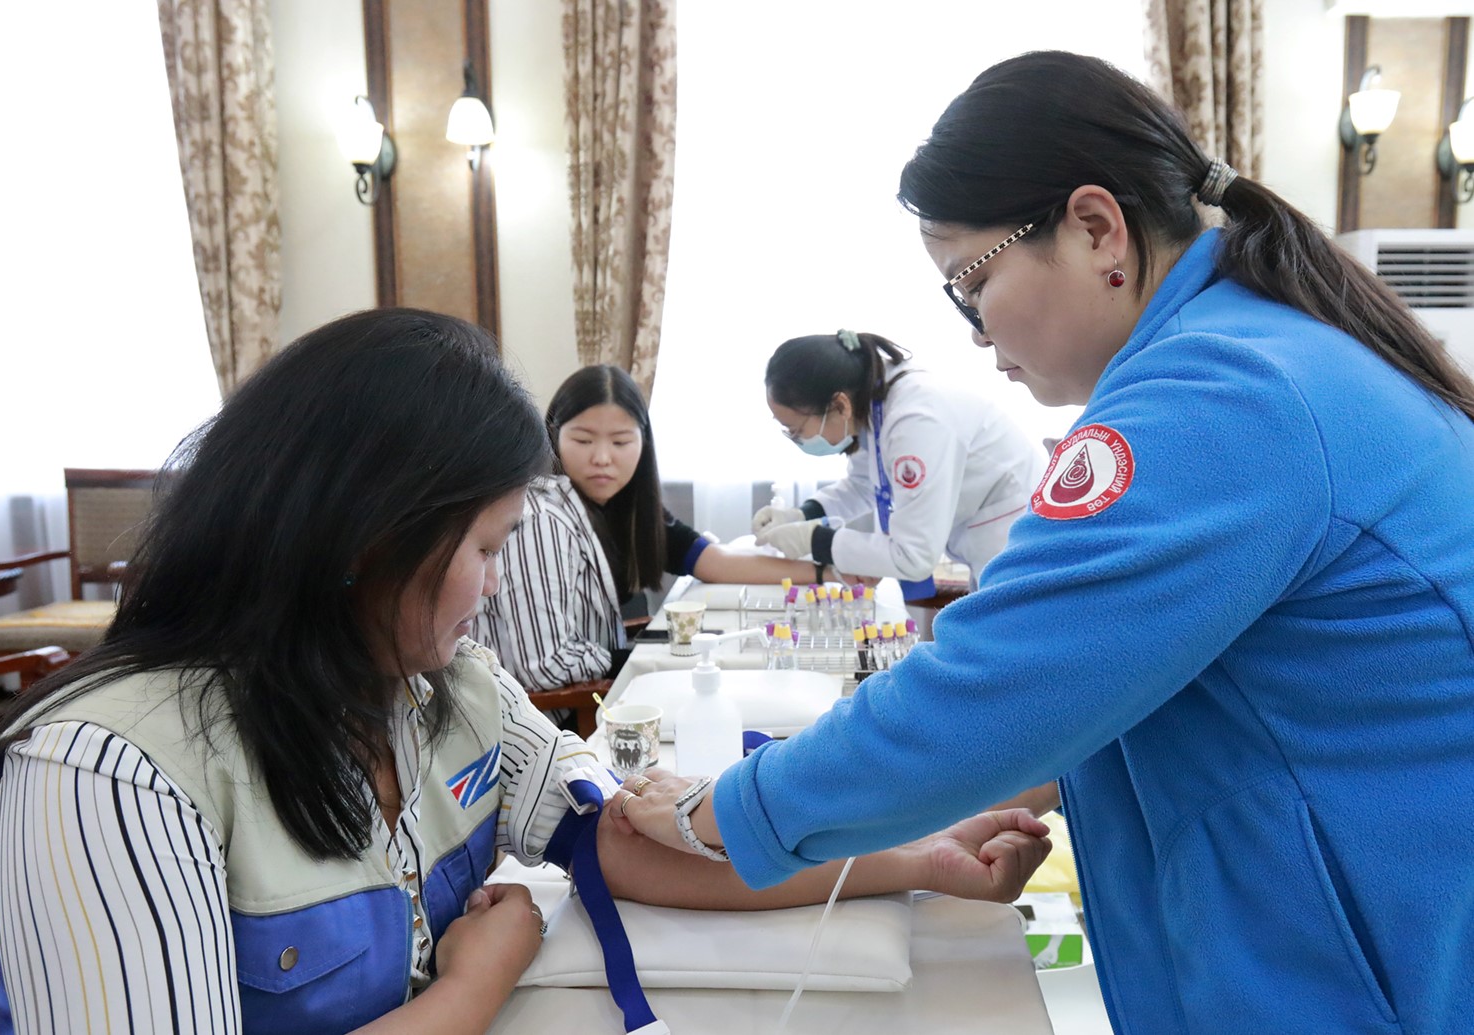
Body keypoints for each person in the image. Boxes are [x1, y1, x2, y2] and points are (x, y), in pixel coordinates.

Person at [615, 50, 1474, 1035]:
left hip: (1361, 965)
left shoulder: (1216, 399)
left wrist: (719, 811)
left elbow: (993, 688)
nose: (978, 332)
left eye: (970, 283)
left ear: (1095, 227)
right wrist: (1021, 782)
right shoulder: (1263, 350)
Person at [0, 309, 1052, 1035]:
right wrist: (472, 988)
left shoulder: (444, 686)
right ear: (360, 538)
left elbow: (623, 841)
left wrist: (917, 859)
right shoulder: (109, 774)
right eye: (484, 550)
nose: (493, 590)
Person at [475, 363, 822, 691]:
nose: (602, 458)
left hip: (589, 687)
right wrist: (633, 658)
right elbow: (545, 665)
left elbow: (713, 560)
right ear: (554, 436)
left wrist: (824, 571)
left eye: (620, 442)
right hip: (559, 712)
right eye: (583, 441)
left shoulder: (626, 505)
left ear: (643, 442)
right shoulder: (541, 518)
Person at [753, 330, 1046, 597]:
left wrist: (815, 541)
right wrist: (800, 515)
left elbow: (913, 557)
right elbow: (864, 484)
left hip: (1014, 544)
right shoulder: (874, 402)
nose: (798, 440)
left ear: (840, 405)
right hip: (985, 541)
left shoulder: (916, 422)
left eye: (796, 430)